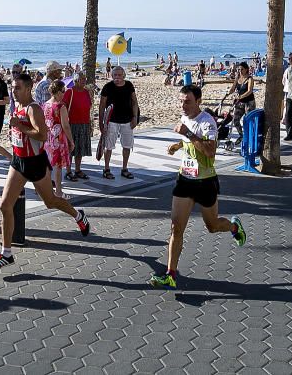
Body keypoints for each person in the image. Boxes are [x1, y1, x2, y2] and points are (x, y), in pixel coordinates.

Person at [0, 73, 91, 269]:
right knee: (4, 205)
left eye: (17, 88)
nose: (13, 91)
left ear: (28, 89)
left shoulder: (33, 108)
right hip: (19, 161)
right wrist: (14, 132)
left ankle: (78, 216)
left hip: (35, 162)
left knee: (50, 202)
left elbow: (42, 135)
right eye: (12, 87)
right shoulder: (17, 106)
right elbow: (22, 132)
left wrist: (20, 126)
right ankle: (6, 253)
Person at [149, 84, 246, 290]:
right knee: (176, 228)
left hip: (205, 182)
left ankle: (234, 227)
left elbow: (210, 151)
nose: (183, 105)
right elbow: (189, 142)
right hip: (185, 179)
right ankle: (170, 274)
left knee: (212, 227)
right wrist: (178, 145)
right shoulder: (185, 118)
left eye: (188, 101)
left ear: (198, 102)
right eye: (181, 101)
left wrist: (188, 134)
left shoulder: (207, 122)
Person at [99, 66, 139, 179]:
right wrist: (101, 123)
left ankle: (124, 168)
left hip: (127, 120)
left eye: (119, 75)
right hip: (111, 121)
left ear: (124, 76)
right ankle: (106, 169)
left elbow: (134, 102)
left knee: (127, 145)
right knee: (109, 146)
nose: (117, 78)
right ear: (112, 76)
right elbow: (102, 105)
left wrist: (135, 117)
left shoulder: (129, 86)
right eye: (115, 75)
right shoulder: (107, 87)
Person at [43, 80, 74, 199]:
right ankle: (59, 191)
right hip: (59, 139)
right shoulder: (60, 106)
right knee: (58, 166)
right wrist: (71, 141)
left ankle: (47, 190)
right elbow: (65, 125)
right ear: (57, 92)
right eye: (63, 91)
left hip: (48, 138)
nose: (64, 93)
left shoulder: (45, 105)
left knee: (48, 166)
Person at [64, 72, 93, 182]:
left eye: (84, 78)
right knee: (70, 149)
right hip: (72, 124)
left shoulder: (86, 92)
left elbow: (89, 105)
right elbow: (63, 107)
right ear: (75, 81)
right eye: (81, 79)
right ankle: (68, 171)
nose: (84, 80)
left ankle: (77, 169)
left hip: (84, 123)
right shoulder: (69, 92)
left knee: (80, 148)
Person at [227, 62, 256, 144]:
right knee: (235, 120)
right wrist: (229, 93)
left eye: (242, 69)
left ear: (246, 69)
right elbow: (233, 88)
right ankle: (241, 135)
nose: (240, 71)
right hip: (240, 103)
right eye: (239, 69)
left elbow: (249, 91)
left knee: (248, 121)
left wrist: (240, 97)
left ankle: (250, 137)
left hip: (249, 102)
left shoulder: (250, 79)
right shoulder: (238, 77)